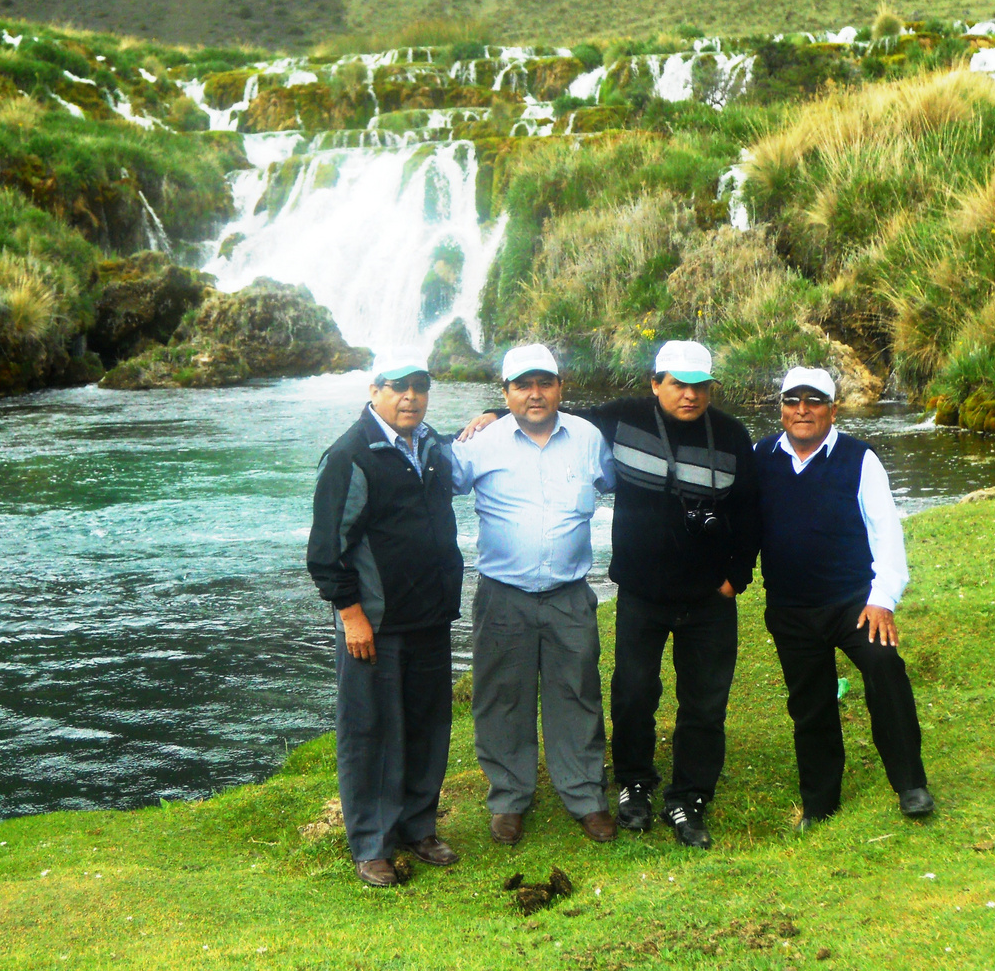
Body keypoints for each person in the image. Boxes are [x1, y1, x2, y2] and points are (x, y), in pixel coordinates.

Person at [460, 340, 759, 849]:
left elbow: (751, 508)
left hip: (661, 595)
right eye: (677, 383)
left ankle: (639, 796)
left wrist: (737, 575)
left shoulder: (720, 433)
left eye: (698, 386)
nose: (688, 394)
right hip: (610, 592)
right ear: (655, 382)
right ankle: (562, 794)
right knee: (613, 695)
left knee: (622, 698)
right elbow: (438, 476)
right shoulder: (603, 423)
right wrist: (490, 414)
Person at [448, 344, 618, 845]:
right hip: (503, 595)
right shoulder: (481, 442)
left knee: (578, 694)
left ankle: (586, 796)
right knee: (501, 697)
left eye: (545, 383)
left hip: (570, 594)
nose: (536, 393)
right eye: (523, 385)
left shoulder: (588, 438)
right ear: (506, 393)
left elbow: (615, 482)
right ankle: (509, 798)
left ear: (561, 387)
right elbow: (431, 479)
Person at [306, 351, 464, 887]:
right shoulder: (350, 455)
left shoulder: (431, 445)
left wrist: (490, 412)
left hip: (429, 615)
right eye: (398, 387)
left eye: (419, 387)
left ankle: (418, 827)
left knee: (427, 727)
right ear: (374, 390)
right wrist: (350, 615)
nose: (410, 398)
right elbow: (327, 550)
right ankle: (372, 844)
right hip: (373, 623)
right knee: (370, 733)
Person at [752, 366, 935, 829]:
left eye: (814, 401)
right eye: (793, 401)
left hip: (858, 604)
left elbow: (886, 534)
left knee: (885, 671)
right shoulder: (760, 457)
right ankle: (820, 804)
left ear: (832, 409)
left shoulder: (860, 458)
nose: (802, 410)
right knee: (810, 705)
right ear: (781, 409)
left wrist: (883, 599)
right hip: (791, 608)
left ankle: (911, 784)